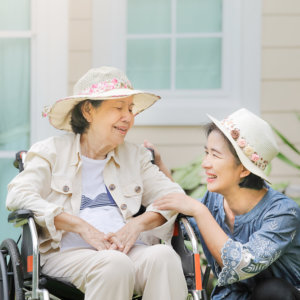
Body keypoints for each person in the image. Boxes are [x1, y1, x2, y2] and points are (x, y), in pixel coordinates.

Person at [6, 66, 188, 300]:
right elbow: (18, 196)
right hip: (67, 254)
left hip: (127, 250)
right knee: (114, 264)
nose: (128, 117)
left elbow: (174, 196)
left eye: (131, 109)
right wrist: (82, 227)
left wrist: (136, 225)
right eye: (118, 108)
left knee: (164, 257)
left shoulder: (135, 157)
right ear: (89, 111)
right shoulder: (50, 152)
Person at [152, 108, 300, 300]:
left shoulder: (283, 213)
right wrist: (161, 171)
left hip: (280, 297)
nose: (205, 163)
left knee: (272, 291)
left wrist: (200, 211)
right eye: (206, 153)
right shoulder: (213, 201)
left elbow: (242, 265)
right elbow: (182, 221)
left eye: (215, 155)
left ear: (244, 169)